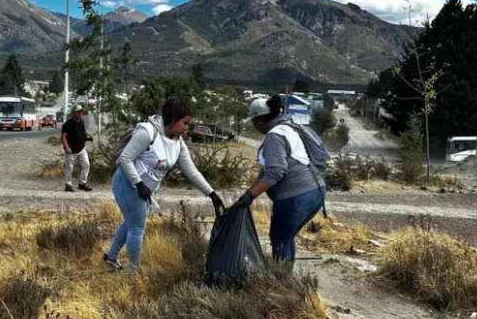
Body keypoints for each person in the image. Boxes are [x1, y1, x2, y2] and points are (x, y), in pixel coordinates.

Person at [103, 99, 226, 271]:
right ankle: (134, 272)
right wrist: (139, 184)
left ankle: (110, 258)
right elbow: (125, 158)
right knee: (137, 228)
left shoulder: (178, 142)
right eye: (184, 123)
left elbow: (191, 171)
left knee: (132, 223)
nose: (186, 128)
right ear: (173, 119)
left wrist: (212, 194)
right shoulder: (148, 133)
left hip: (144, 189)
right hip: (127, 183)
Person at [230, 95, 326, 262]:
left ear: (260, 120)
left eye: (254, 121)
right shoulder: (288, 128)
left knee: (280, 240)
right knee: (286, 238)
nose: (254, 126)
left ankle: (281, 282)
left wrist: (250, 196)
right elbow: (266, 171)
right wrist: (247, 194)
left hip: (296, 196)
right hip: (315, 191)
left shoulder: (275, 136)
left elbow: (275, 172)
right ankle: (286, 279)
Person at [61, 104, 93, 192]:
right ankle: (68, 185)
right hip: (71, 150)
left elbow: (83, 131)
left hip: (82, 148)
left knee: (86, 165)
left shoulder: (81, 121)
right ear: (74, 113)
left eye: (81, 112)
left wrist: (87, 136)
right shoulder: (68, 124)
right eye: (78, 112)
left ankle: (82, 184)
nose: (80, 114)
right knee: (69, 168)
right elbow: (63, 136)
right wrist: (67, 147)